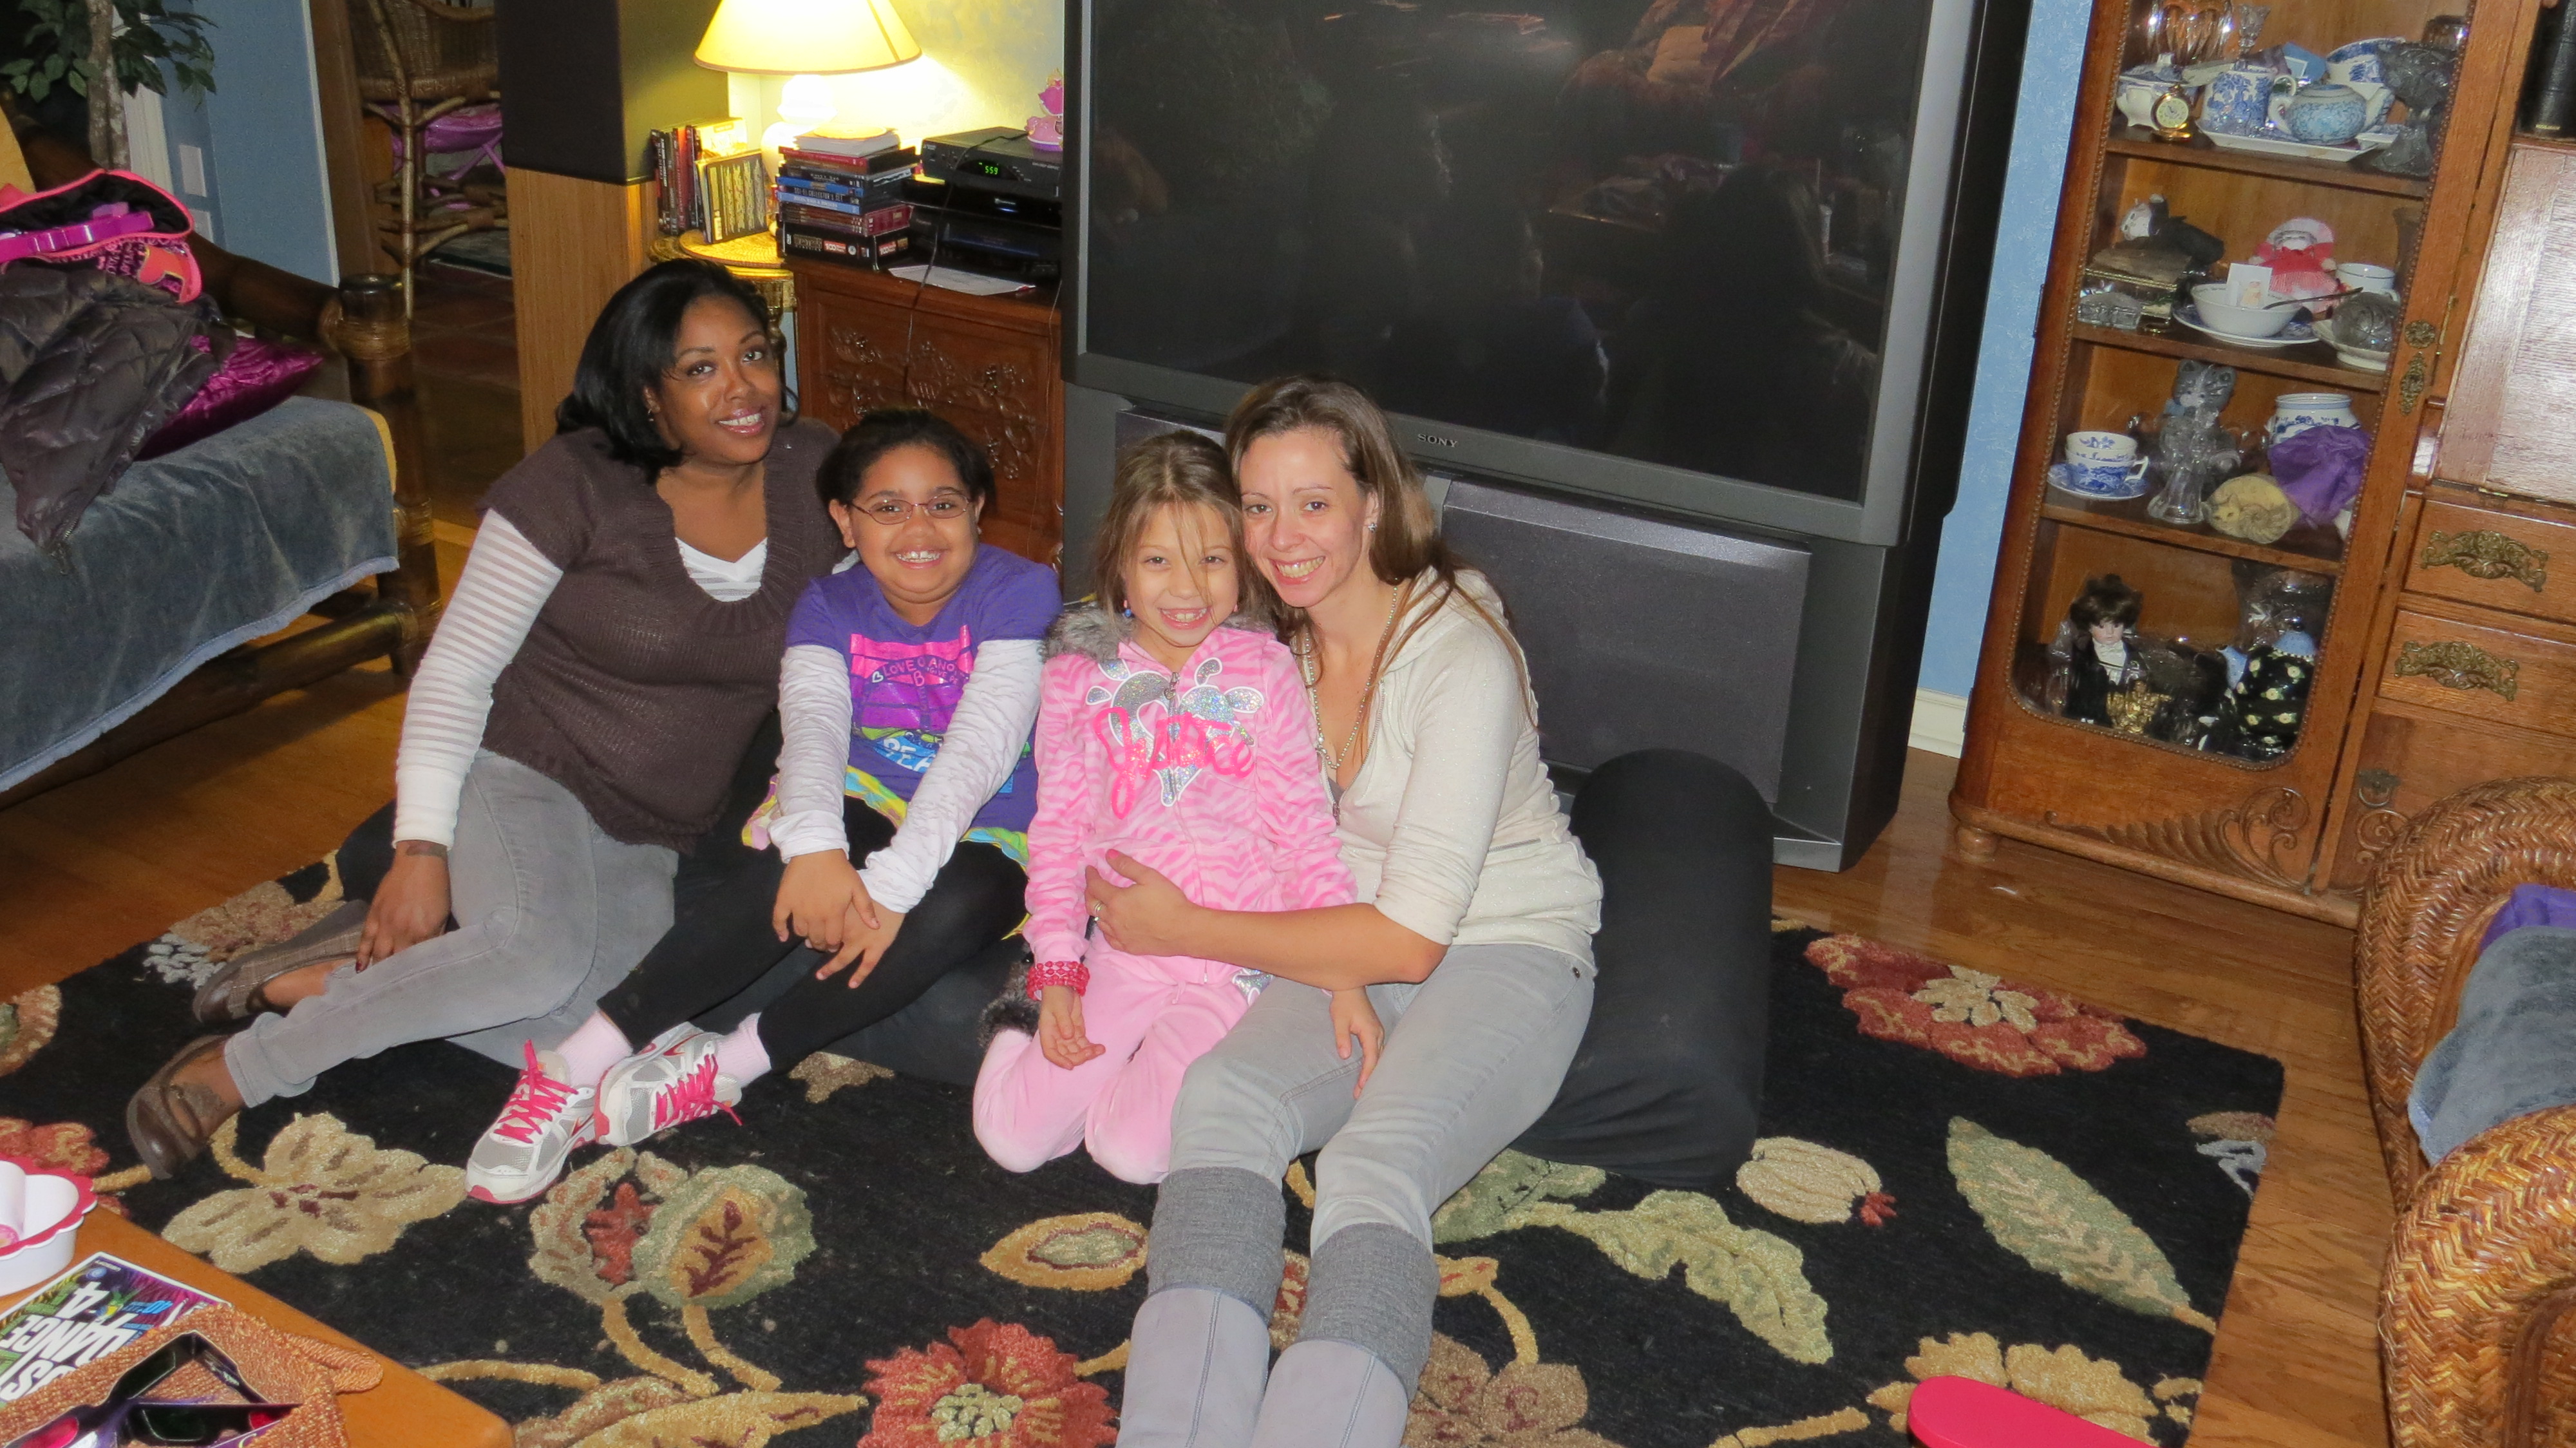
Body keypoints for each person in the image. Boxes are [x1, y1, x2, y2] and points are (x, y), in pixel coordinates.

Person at [126, 259, 846, 1186]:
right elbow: (457, 671)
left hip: (658, 823)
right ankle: (244, 1066)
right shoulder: (573, 484)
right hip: (525, 769)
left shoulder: (813, 472)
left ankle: (332, 982)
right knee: (535, 956)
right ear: (647, 394)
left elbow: (887, 606)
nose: (743, 388)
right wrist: (419, 851)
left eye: (753, 355)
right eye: (700, 368)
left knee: (611, 1034)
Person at [1097, 376, 1615, 1445]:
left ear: (1374, 503)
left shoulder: (1458, 654)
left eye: (1314, 503)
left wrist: (1185, 928)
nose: (1281, 537)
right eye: (1258, 505)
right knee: (1224, 1096)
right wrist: (1334, 970)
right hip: (1351, 929)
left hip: (1505, 943)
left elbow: (1414, 940)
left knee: (1373, 1167)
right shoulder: (1268, 645)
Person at [496, 409, 1057, 1193]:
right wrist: (819, 851)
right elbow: (814, 730)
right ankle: (575, 1063)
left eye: (943, 503)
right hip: (864, 789)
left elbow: (979, 752)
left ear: (976, 511)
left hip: (993, 813)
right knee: (810, 854)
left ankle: (731, 1063)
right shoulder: (826, 604)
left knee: (964, 895)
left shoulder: (1021, 590)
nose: (918, 528)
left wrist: (894, 888)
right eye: (887, 507)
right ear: (845, 521)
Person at [972, 433, 1363, 1186]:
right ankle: (1024, 1025)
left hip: (1236, 968)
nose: (1187, 588)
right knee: (1013, 1142)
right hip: (1125, 948)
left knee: (1135, 1156)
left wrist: (1342, 975)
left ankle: (1119, 1088)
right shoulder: (1077, 677)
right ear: (1121, 564)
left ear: (1241, 567)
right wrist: (1057, 970)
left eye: (1211, 559)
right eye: (1158, 561)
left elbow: (1305, 830)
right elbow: (1058, 833)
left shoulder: (1267, 670)